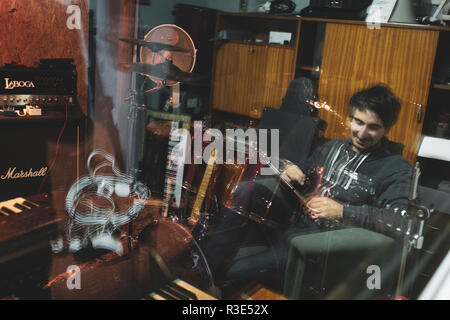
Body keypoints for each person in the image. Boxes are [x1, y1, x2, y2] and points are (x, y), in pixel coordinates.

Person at [201, 84, 413, 296]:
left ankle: (213, 278)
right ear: (350, 118)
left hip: (322, 254)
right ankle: (203, 270)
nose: (362, 132)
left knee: (236, 272)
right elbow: (304, 173)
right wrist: (289, 169)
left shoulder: (396, 168)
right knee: (250, 190)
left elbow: (400, 222)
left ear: (387, 129)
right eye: (358, 122)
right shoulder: (333, 148)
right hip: (292, 235)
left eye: (373, 127)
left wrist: (342, 211)